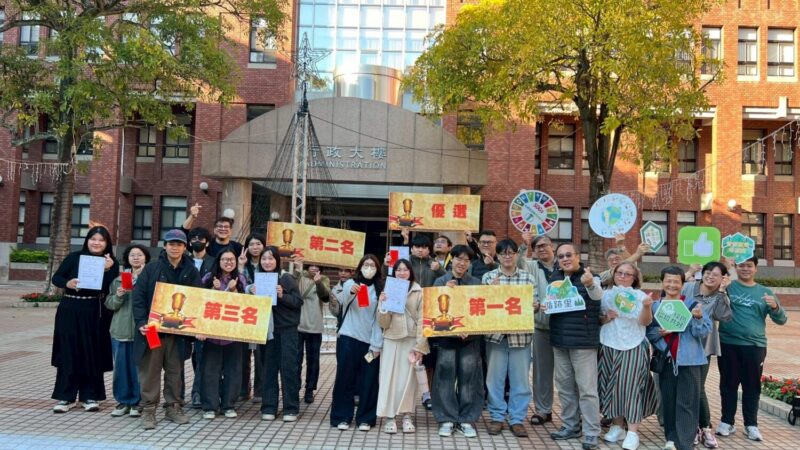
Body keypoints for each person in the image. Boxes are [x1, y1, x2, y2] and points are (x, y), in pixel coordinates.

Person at [132, 229, 200, 430]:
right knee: (150, 371)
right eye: (171, 243)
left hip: (178, 333)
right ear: (165, 246)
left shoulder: (191, 271)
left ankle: (173, 407)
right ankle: (148, 410)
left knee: (175, 371)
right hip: (153, 331)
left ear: (185, 247)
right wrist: (141, 322)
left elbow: (198, 300)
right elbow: (138, 297)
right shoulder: (152, 268)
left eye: (179, 244)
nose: (175, 247)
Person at [716, 256, 787, 442]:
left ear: (756, 269)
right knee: (728, 385)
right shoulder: (729, 287)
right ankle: (727, 422)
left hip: (755, 346)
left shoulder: (765, 292)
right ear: (736, 268)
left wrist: (775, 307)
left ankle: (751, 425)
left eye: (749, 266)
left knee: (752, 386)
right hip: (728, 344)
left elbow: (782, 320)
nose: (745, 269)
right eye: (741, 266)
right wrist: (723, 273)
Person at [51, 226, 120, 413]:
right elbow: (56, 278)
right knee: (69, 351)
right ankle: (66, 397)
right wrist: (67, 283)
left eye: (101, 240)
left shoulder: (111, 263)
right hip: (70, 308)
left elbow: (109, 288)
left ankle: (90, 395)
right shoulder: (74, 257)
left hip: (94, 310)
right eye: (93, 239)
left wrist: (108, 270)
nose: (96, 243)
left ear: (107, 243)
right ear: (87, 240)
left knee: (91, 352)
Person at [545, 243, 603, 450]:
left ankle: (591, 432)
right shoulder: (555, 278)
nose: (565, 259)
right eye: (561, 256)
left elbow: (597, 296)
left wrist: (590, 284)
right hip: (559, 341)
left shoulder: (590, 276)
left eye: (569, 254)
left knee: (587, 390)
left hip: (583, 343)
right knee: (565, 388)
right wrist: (545, 305)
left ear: (578, 256)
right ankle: (571, 426)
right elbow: (552, 303)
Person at [647, 266, 711, 450]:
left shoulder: (692, 305)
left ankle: (685, 442)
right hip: (667, 361)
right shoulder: (655, 306)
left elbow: (704, 332)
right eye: (668, 281)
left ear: (682, 284)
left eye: (676, 281)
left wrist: (698, 318)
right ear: (662, 282)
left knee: (688, 402)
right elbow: (648, 333)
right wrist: (659, 333)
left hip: (690, 362)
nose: (672, 285)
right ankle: (671, 438)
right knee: (668, 401)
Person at [598, 262, 659, 450]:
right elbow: (597, 320)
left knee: (631, 387)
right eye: (620, 272)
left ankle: (633, 432)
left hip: (633, 344)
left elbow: (645, 322)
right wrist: (607, 317)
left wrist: (647, 307)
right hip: (608, 344)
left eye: (628, 274)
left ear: (634, 278)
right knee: (612, 385)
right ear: (614, 274)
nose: (623, 276)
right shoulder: (605, 295)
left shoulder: (641, 297)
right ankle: (617, 426)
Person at [480, 239, 537, 438]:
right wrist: (490, 292)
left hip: (520, 336)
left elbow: (534, 304)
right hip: (496, 336)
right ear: (497, 256)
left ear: (516, 255)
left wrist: (535, 306)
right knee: (494, 379)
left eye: (511, 252)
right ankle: (497, 417)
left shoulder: (528, 278)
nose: (507, 256)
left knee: (520, 380)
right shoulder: (489, 277)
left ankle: (517, 419)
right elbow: (480, 306)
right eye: (503, 253)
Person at [430, 245, 483, 438]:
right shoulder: (440, 281)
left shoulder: (475, 283)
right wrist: (445, 290)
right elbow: (433, 309)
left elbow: (481, 312)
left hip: (470, 338)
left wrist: (469, 329)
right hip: (446, 339)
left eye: (466, 260)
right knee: (445, 377)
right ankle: (447, 418)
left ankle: (466, 418)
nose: (462, 263)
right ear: (451, 260)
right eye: (459, 259)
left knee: (469, 378)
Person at [330, 254, 384, 432]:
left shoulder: (380, 289)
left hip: (369, 342)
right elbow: (343, 301)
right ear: (360, 267)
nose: (369, 268)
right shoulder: (350, 284)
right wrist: (351, 291)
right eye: (366, 265)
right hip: (348, 338)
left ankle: (365, 418)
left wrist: (376, 344)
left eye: (372, 265)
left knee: (369, 381)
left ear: (377, 269)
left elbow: (379, 319)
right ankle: (341, 416)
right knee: (345, 378)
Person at [249, 246, 303, 422]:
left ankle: (290, 408)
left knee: (288, 369)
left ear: (277, 260)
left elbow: (298, 302)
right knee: (268, 369)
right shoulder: (257, 279)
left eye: (271, 258)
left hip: (287, 331)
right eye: (264, 259)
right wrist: (252, 294)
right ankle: (269, 406)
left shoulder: (286, 278)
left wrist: (282, 295)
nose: (267, 262)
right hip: (267, 331)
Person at [682, 261, 732, 448]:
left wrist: (722, 292)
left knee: (698, 387)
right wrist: (687, 273)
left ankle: (704, 427)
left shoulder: (720, 294)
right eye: (708, 272)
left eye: (716, 274)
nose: (710, 276)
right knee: (687, 386)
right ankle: (695, 426)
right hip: (683, 343)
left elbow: (723, 316)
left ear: (723, 278)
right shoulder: (688, 287)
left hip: (704, 346)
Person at [377, 259, 428, 434]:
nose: (401, 273)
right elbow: (383, 323)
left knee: (408, 380)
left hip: (411, 340)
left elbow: (423, 320)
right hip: (391, 338)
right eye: (398, 270)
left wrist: (420, 346)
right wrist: (383, 306)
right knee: (389, 378)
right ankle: (390, 417)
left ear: (410, 272)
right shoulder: (388, 290)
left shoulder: (418, 291)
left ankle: (407, 416)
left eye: (405, 269)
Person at [199, 248, 248, 419]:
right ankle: (210, 407)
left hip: (233, 334)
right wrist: (214, 289)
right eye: (225, 259)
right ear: (218, 261)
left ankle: (229, 405)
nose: (228, 262)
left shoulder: (240, 279)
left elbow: (247, 303)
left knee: (233, 371)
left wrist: (233, 290)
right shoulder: (208, 277)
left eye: (231, 259)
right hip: (211, 334)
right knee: (210, 371)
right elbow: (199, 300)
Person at [104, 244, 151, 417]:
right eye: (132, 255)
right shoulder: (119, 280)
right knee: (122, 369)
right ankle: (123, 401)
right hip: (121, 330)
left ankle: (139, 402)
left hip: (145, 331)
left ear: (146, 258)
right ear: (127, 259)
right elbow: (110, 304)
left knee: (142, 369)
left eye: (140, 254)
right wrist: (118, 296)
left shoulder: (151, 279)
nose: (136, 258)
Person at [517, 233, 557, 425]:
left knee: (568, 374)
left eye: (544, 245)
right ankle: (543, 410)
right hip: (541, 327)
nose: (541, 249)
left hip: (565, 328)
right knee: (542, 372)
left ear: (552, 246)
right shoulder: (532, 266)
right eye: (537, 247)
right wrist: (524, 245)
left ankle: (574, 414)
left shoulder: (564, 264)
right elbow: (518, 264)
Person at [295, 263, 331, 404]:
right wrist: (297, 271)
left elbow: (325, 297)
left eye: (317, 266)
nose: (314, 268)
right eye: (311, 265)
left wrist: (318, 283)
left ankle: (310, 389)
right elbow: (292, 290)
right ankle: (295, 387)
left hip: (315, 325)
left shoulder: (324, 279)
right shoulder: (300, 276)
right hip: (298, 324)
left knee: (313, 360)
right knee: (296, 360)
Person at [237, 233, 266, 402]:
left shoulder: (268, 263)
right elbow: (238, 285)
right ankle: (243, 389)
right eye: (252, 244)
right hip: (244, 313)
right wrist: (240, 266)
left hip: (262, 314)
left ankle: (260, 391)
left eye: (258, 244)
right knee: (243, 353)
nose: (255, 247)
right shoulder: (242, 264)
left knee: (261, 355)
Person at [187, 226, 214, 408]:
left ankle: (197, 392)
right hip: (184, 311)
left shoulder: (213, 262)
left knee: (202, 352)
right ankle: (177, 394)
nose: (197, 241)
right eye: (194, 238)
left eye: (201, 239)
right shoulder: (183, 261)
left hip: (206, 313)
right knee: (185, 355)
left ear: (207, 242)